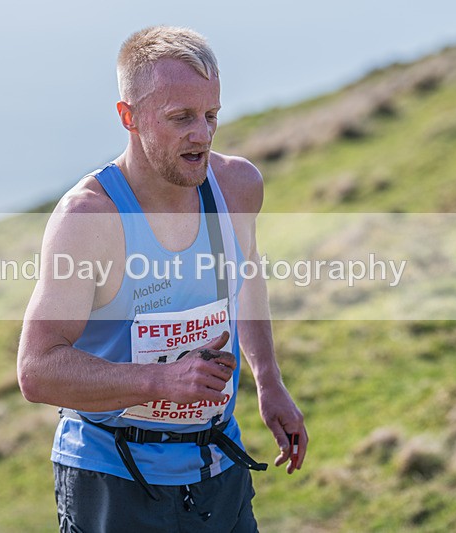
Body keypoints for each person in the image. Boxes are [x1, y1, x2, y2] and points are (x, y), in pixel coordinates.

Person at [17, 25, 307, 532]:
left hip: (217, 465)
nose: (203, 133)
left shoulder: (238, 187)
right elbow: (37, 370)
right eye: (181, 118)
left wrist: (269, 380)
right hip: (114, 478)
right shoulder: (89, 219)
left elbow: (247, 280)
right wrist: (160, 382)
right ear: (128, 117)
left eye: (211, 115)